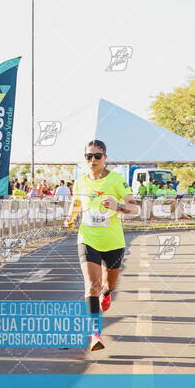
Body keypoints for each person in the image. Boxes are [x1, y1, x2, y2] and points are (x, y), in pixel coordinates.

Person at [64, 140, 139, 351]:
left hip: (114, 241)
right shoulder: (80, 181)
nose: (93, 160)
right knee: (91, 285)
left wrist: (119, 206)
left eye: (97, 156)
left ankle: (107, 293)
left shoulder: (116, 179)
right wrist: (70, 219)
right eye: (89, 156)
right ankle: (96, 334)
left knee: (109, 284)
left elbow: (135, 209)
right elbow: (76, 204)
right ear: (85, 158)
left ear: (105, 157)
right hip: (88, 238)